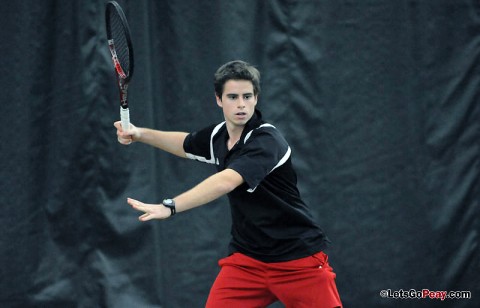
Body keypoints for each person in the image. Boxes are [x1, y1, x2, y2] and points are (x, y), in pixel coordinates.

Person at [114, 60, 342, 308]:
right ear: (219, 100)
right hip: (248, 261)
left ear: (256, 98)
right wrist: (140, 134)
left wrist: (170, 206)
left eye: (247, 96)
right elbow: (186, 143)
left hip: (298, 259)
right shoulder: (218, 136)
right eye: (232, 97)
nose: (241, 104)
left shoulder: (267, 140)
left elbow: (226, 181)